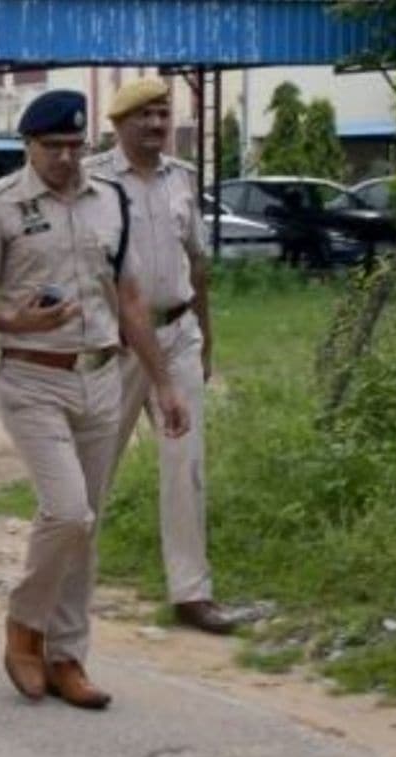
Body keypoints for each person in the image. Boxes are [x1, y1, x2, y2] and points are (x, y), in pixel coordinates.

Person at [0, 89, 188, 711]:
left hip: (102, 375)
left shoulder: (110, 200)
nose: (64, 157)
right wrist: (14, 320)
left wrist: (163, 382)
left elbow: (129, 300)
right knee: (67, 511)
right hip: (32, 377)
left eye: (74, 146)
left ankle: (67, 656)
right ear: (28, 145)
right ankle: (24, 627)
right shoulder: (0, 205)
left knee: (87, 525)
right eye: (52, 146)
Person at [85, 78, 236, 636]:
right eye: (142, 115)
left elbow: (197, 263)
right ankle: (67, 589)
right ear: (118, 123)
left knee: (185, 467)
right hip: (117, 345)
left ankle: (192, 593)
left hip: (177, 334)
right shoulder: (92, 181)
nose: (154, 125)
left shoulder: (181, 179)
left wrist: (207, 341)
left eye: (162, 114)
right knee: (93, 468)